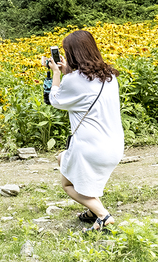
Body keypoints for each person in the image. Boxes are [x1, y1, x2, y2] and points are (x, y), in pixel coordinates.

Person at [44, 30, 123, 232]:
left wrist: (55, 73)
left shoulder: (73, 81)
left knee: (68, 184)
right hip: (114, 146)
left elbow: (53, 99)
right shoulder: (111, 77)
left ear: (72, 54)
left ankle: (103, 215)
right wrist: (69, 71)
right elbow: (86, 86)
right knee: (63, 159)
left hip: (91, 148)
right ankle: (92, 211)